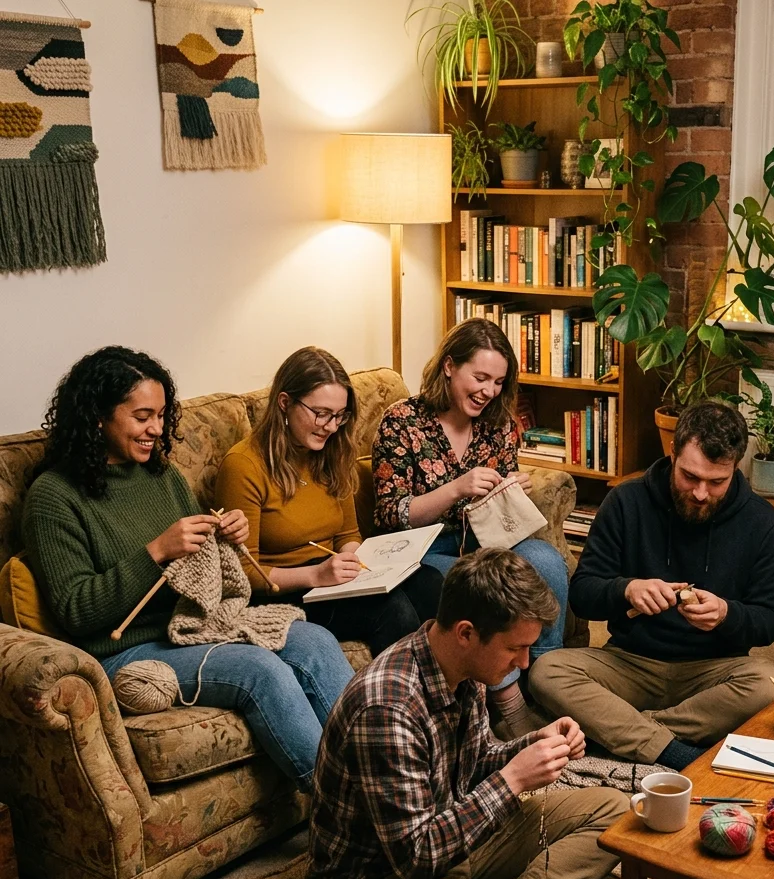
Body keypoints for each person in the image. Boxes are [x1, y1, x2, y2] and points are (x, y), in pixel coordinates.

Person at [306, 548, 666, 879]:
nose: (525, 662)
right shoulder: (388, 708)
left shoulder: (465, 666)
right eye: (515, 647)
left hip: (457, 838)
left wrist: (532, 745)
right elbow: (417, 858)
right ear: (466, 633)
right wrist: (514, 780)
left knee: (616, 812)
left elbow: (476, 763)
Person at [22, 346, 354, 792]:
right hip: (127, 650)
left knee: (314, 638)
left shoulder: (162, 476)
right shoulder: (53, 497)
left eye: (161, 415)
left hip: (195, 625)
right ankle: (347, 805)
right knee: (260, 669)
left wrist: (224, 536)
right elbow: (77, 611)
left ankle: (379, 773)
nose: (156, 429)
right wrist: (155, 552)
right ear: (98, 416)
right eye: (142, 416)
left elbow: (204, 570)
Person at [530, 401, 774, 770]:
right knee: (547, 671)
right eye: (690, 477)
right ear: (673, 453)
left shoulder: (761, 521)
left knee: (770, 683)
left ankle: (628, 731)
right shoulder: (626, 501)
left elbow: (770, 620)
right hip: (628, 663)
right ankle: (673, 750)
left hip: (714, 671)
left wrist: (727, 614)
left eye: (716, 482)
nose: (701, 493)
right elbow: (584, 594)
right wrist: (626, 589)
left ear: (736, 468)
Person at [372, 317, 569, 736]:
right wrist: (456, 488)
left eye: (498, 382)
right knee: (479, 589)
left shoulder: (497, 422)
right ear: (449, 366)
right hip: (425, 549)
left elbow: (501, 512)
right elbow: (391, 513)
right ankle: (509, 704)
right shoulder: (402, 421)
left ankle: (550, 686)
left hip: (489, 539)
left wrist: (513, 489)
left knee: (545, 561)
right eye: (479, 377)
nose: (488, 391)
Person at [215, 347, 442, 656]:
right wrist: (316, 575)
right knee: (391, 609)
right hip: (282, 591)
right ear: (284, 403)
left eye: (339, 415)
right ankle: (401, 699)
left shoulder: (333, 451)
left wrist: (360, 564)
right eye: (321, 414)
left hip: (329, 577)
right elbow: (243, 573)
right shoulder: (244, 465)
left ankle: (450, 693)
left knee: (430, 581)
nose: (332, 426)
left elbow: (347, 535)